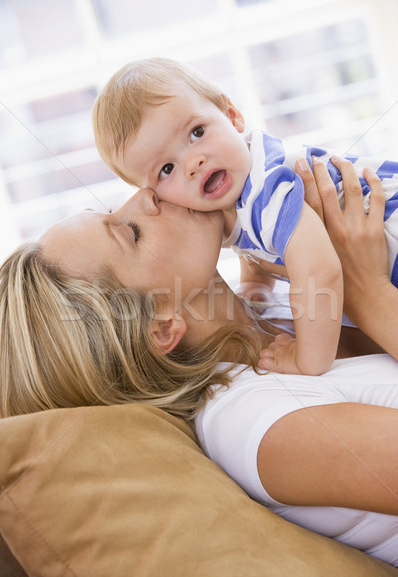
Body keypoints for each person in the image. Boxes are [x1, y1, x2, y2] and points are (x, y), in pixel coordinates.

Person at [0, 161, 398, 566]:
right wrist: (370, 294)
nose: (145, 194)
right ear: (160, 329)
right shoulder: (254, 424)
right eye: (131, 233)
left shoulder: (275, 311)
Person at [92, 57, 398, 377]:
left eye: (197, 132)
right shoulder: (228, 200)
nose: (193, 162)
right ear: (150, 193)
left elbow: (319, 270)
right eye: (166, 169)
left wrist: (308, 358)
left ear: (232, 115)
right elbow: (251, 241)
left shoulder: (263, 188)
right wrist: (255, 286)